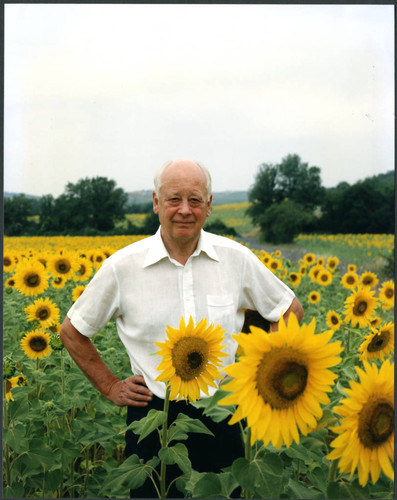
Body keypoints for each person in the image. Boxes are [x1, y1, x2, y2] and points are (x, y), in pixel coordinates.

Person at [60, 159, 303, 498]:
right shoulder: (123, 267)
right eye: (174, 199)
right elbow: (73, 330)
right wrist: (110, 385)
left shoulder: (235, 258)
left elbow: (288, 309)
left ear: (209, 205)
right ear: (157, 203)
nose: (185, 210)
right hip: (152, 415)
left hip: (223, 411)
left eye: (195, 200)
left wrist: (260, 371)